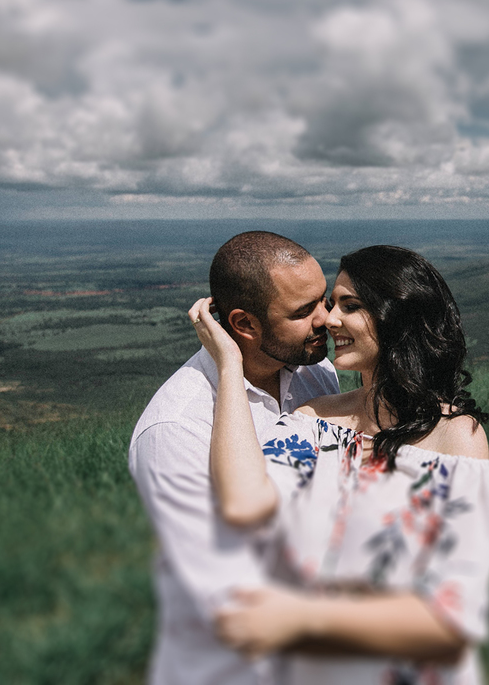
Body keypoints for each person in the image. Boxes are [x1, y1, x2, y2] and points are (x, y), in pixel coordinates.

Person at [188, 245, 489, 685]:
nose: (329, 320)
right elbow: (242, 503)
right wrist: (229, 365)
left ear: (396, 315)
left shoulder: (457, 436)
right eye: (331, 304)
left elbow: (451, 622)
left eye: (350, 306)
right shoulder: (315, 420)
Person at [128, 231, 339, 685]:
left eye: (323, 300)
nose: (328, 319)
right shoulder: (177, 430)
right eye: (304, 311)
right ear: (244, 325)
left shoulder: (316, 373)